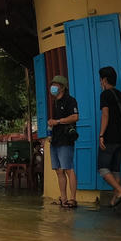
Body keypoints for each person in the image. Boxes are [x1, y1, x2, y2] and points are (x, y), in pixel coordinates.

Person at [46, 74, 80, 208]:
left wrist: (58, 121)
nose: (53, 87)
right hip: (55, 139)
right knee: (59, 170)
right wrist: (50, 129)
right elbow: (54, 121)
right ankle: (63, 198)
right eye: (52, 85)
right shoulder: (55, 102)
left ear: (62, 87)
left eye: (56, 85)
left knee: (68, 169)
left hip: (66, 140)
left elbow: (75, 117)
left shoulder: (70, 101)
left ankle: (73, 198)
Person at [97, 65, 121, 208]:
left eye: (100, 79)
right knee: (115, 168)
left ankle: (120, 190)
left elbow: (105, 114)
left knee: (103, 168)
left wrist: (102, 135)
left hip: (110, 138)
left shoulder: (105, 94)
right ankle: (115, 199)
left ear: (104, 80)